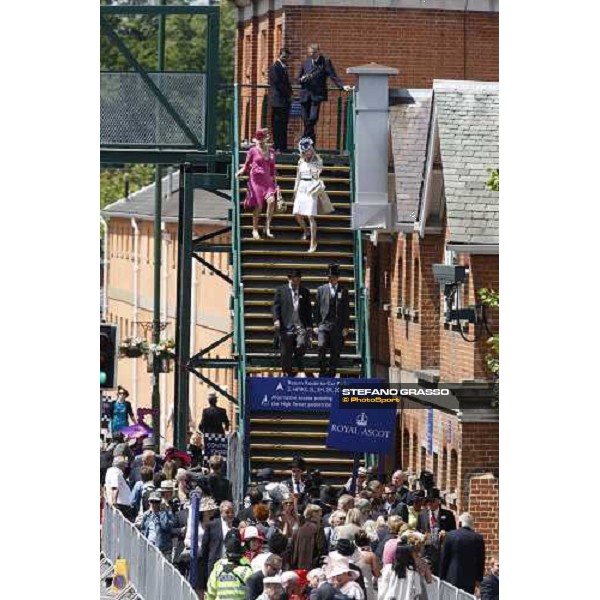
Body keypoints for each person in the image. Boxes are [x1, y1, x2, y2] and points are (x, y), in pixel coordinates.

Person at [297, 43, 352, 145]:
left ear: (318, 51)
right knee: (305, 120)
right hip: (305, 95)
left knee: (313, 118)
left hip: (316, 95)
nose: (311, 55)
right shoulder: (306, 62)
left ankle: (304, 139)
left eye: (313, 53)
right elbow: (298, 78)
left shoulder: (325, 62)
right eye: (309, 53)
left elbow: (333, 76)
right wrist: (302, 79)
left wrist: (342, 86)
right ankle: (310, 143)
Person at [292, 137, 334, 253]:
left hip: (312, 188)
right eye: (305, 151)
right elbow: (298, 177)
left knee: (310, 216)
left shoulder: (317, 161)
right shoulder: (300, 161)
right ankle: (306, 231)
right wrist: (295, 190)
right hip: (301, 188)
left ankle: (313, 242)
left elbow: (316, 174)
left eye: (309, 150)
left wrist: (310, 161)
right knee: (296, 213)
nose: (308, 152)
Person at [236, 128, 278, 240]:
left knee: (271, 201)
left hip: (268, 181)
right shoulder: (252, 151)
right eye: (258, 139)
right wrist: (240, 172)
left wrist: (276, 182)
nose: (259, 141)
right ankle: (254, 229)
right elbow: (246, 165)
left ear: (266, 139)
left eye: (262, 138)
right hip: (256, 181)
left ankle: (267, 227)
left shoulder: (272, 152)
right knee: (259, 206)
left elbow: (273, 168)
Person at [313, 264, 351, 378]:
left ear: (337, 278)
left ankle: (332, 373)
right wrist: (316, 324)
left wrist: (345, 327)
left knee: (335, 351)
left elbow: (346, 309)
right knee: (321, 345)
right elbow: (316, 308)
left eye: (334, 277)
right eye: (330, 277)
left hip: (337, 325)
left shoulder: (343, 290)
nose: (332, 279)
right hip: (324, 324)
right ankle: (322, 369)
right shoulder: (321, 289)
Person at [273, 271, 313, 377]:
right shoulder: (281, 291)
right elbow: (276, 307)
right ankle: (288, 373)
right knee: (286, 352)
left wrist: (310, 325)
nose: (296, 281)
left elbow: (308, 310)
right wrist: (276, 319)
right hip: (287, 326)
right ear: (289, 279)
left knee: (302, 344)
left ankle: (297, 357)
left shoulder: (305, 292)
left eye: (298, 279)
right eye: (294, 279)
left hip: (300, 325)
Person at [439, 513, 485, 595]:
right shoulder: (478, 538)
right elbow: (481, 561)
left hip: (452, 577)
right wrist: (478, 580)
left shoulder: (450, 535)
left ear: (460, 523)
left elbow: (444, 559)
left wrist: (441, 577)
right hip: (470, 580)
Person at [416, 488, 456, 575]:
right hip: (427, 552)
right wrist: (423, 536)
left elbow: (453, 534)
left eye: (432, 501)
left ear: (438, 501)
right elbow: (417, 532)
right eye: (428, 502)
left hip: (442, 552)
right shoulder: (422, 514)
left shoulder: (448, 515)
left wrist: (446, 535)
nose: (430, 504)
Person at [206, 530, 253, 600]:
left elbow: (211, 592)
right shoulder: (247, 567)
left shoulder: (218, 566)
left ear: (225, 545)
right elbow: (251, 592)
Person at [201, 500, 238, 583]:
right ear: (221, 513)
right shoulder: (213, 525)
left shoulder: (237, 524)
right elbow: (205, 547)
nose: (230, 514)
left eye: (232, 512)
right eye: (227, 512)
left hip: (231, 564)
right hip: (216, 563)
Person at [135, 491, 176, 560]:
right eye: (152, 501)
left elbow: (166, 526)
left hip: (163, 551)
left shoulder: (167, 514)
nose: (154, 504)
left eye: (156, 501)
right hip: (150, 548)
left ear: (160, 502)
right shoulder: (146, 515)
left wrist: (162, 512)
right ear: (149, 502)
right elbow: (142, 528)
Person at [268, 48, 293, 153]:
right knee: (278, 125)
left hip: (283, 101)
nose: (285, 58)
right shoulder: (275, 67)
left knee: (283, 124)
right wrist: (288, 94)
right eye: (284, 56)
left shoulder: (283, 68)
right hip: (278, 101)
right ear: (279, 56)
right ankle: (278, 146)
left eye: (287, 57)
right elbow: (278, 83)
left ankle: (282, 147)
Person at [291, 504, 325, 569]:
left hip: (298, 565)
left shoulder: (298, 529)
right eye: (319, 515)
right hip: (312, 566)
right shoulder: (318, 529)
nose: (320, 518)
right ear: (314, 514)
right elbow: (321, 547)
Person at [105, 455, 134, 521]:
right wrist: (115, 505)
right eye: (124, 465)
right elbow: (115, 488)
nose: (125, 467)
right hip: (121, 505)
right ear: (121, 465)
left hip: (121, 504)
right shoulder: (115, 472)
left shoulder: (111, 471)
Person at [353, 531, 380, 600]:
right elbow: (377, 574)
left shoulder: (351, 554)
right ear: (368, 541)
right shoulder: (371, 555)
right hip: (366, 587)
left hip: (353, 587)